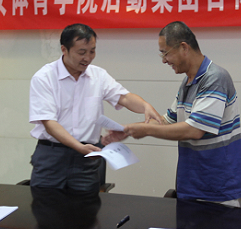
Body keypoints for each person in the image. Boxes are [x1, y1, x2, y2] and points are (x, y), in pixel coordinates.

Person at [124, 21, 241, 208]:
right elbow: (168, 121)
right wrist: (128, 129)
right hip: (192, 185)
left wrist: (146, 130)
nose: (164, 60)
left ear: (184, 47)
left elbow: (194, 130)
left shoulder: (215, 77)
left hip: (219, 188)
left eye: (165, 53)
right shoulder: (188, 82)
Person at [29, 23, 161, 191]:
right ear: (64, 49)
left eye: (92, 51)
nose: (88, 58)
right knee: (45, 204)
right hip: (52, 156)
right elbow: (49, 123)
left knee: (87, 205)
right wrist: (79, 147)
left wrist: (145, 106)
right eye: (81, 52)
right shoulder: (44, 77)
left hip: (87, 159)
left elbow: (125, 98)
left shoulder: (98, 75)